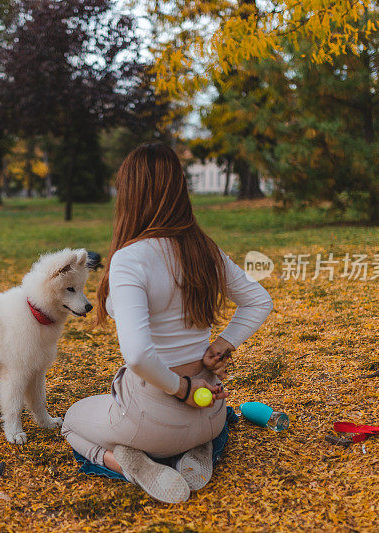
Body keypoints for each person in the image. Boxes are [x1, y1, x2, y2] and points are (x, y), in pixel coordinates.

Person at [60, 143, 273, 503]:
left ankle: (123, 463)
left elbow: (140, 355)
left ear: (130, 194)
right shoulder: (204, 249)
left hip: (154, 417)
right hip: (211, 411)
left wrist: (181, 390)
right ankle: (200, 449)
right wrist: (222, 344)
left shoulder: (131, 259)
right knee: (210, 426)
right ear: (178, 189)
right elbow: (259, 301)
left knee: (71, 419)